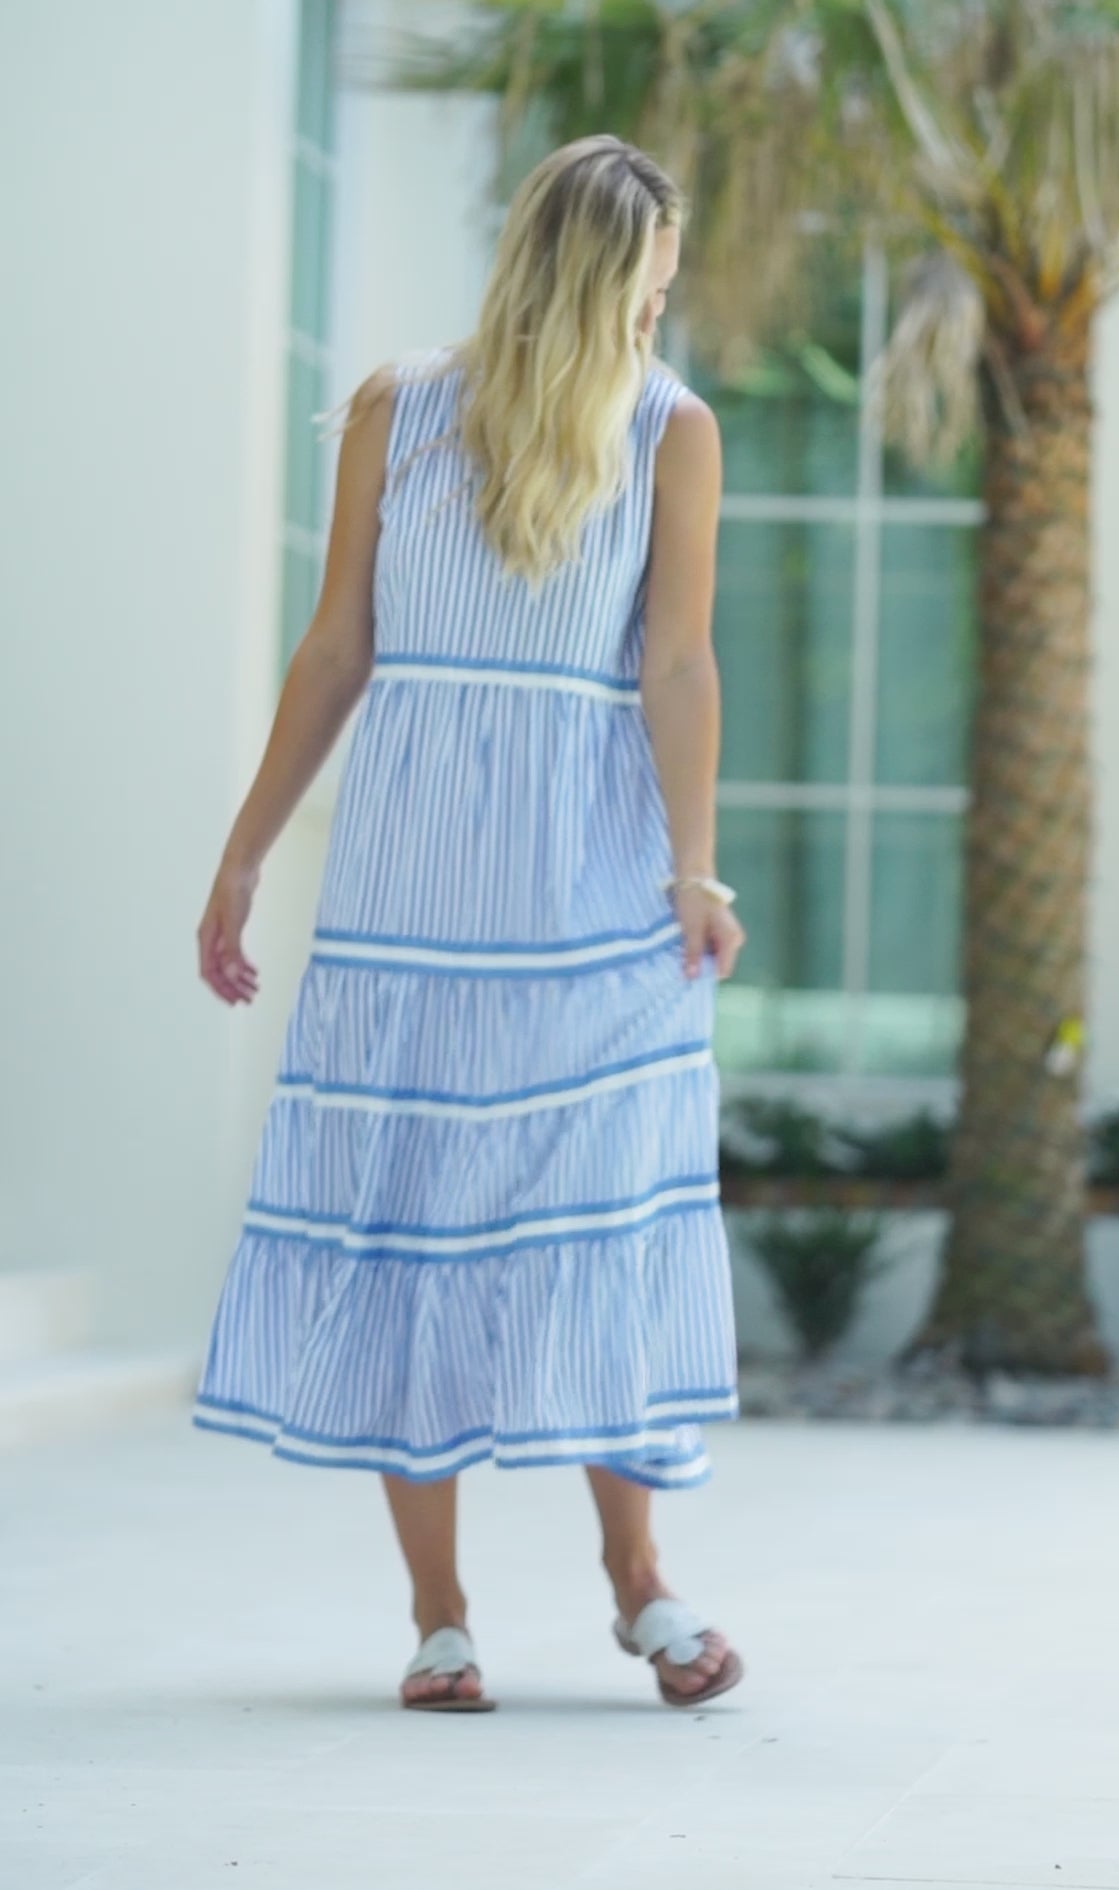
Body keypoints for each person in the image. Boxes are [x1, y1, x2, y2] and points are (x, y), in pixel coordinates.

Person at [194, 135, 745, 1714]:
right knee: (406, 1225)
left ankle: (637, 1583)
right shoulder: (398, 406)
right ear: (608, 270)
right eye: (655, 271)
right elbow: (335, 646)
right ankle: (438, 1615)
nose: (665, 300)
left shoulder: (670, 429)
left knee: (603, 1218)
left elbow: (678, 667)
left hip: (586, 895)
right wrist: (244, 852)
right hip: (411, 903)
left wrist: (690, 870)